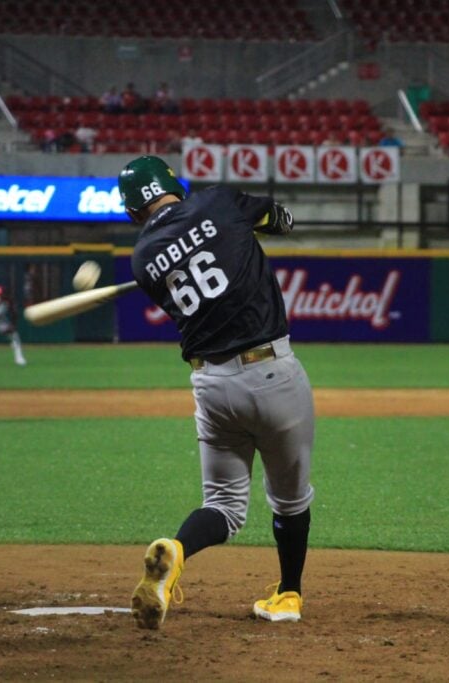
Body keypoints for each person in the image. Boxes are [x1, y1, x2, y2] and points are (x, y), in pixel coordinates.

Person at [119, 156, 315, 629]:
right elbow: (280, 219)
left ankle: (178, 550)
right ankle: (288, 595)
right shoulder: (218, 200)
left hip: (211, 385)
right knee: (290, 501)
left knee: (223, 507)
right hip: (272, 372)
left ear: (132, 211)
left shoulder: (143, 259)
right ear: (173, 184)